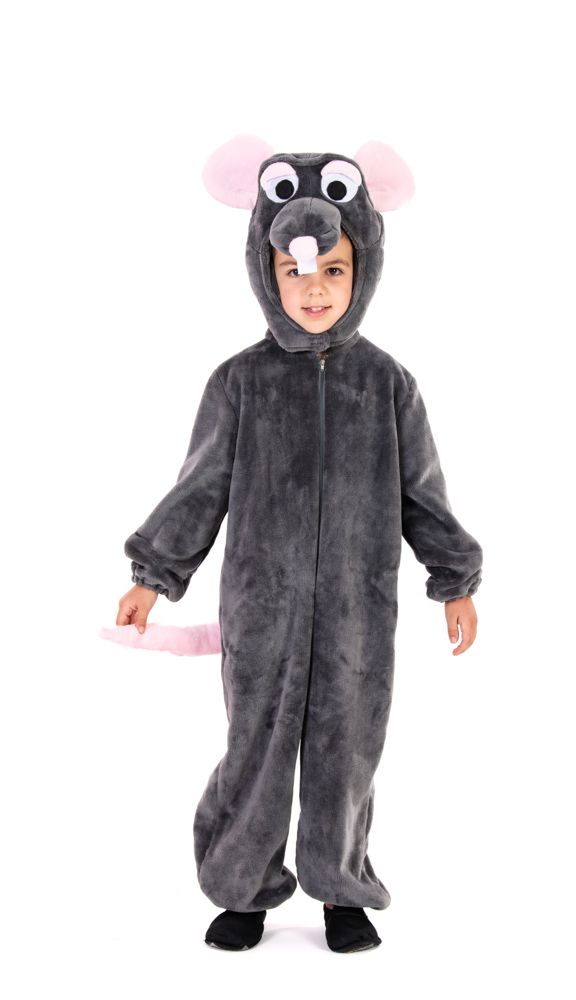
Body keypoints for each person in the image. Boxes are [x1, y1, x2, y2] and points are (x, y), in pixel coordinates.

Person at [115, 138, 483, 953]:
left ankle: (340, 890)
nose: (314, 290)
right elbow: (200, 488)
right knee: (254, 748)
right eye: (294, 271)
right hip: (261, 613)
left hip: (358, 613)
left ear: (362, 271)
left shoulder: (387, 384)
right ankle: (243, 888)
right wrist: (154, 574)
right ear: (266, 271)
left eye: (333, 271)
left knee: (347, 755)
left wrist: (453, 580)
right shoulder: (239, 383)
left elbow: (423, 494)